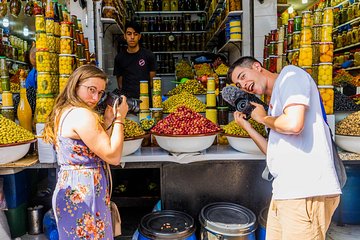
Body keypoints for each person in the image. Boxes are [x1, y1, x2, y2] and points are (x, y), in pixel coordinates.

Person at [227, 56, 341, 240]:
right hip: (285, 192)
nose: (243, 85)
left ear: (257, 66)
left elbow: (294, 124)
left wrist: (263, 119)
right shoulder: (274, 106)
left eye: (242, 76)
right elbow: (273, 154)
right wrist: (247, 126)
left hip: (306, 191)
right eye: (238, 85)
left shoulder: (290, 76)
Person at [42, 65, 128, 239]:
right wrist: (120, 119)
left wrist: (108, 122)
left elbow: (98, 149)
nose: (95, 97)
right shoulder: (82, 115)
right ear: (76, 86)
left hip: (74, 189)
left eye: (100, 92)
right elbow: (113, 156)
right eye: (91, 90)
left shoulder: (65, 111)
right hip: (84, 193)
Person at [113, 21, 157, 99]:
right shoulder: (119, 58)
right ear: (125, 36)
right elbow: (120, 85)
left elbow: (152, 83)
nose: (132, 37)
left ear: (139, 37)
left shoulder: (149, 55)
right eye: (129, 34)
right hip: (127, 102)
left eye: (135, 34)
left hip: (145, 101)